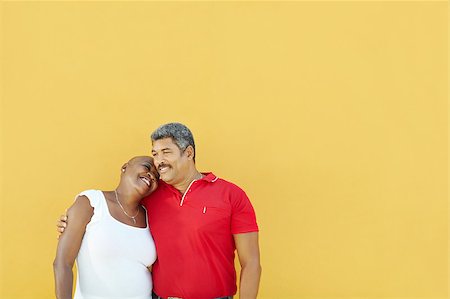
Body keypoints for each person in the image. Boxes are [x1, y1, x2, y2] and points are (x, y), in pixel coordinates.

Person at [58, 123, 262, 299]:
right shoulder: (150, 195)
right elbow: (115, 215)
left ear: (188, 153)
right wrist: (72, 222)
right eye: (155, 154)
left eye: (166, 152)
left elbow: (251, 262)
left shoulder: (231, 195)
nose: (159, 161)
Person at [53, 156, 160, 299]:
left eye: (157, 176)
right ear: (124, 167)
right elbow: (62, 263)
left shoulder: (150, 216)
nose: (151, 175)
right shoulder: (92, 202)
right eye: (147, 167)